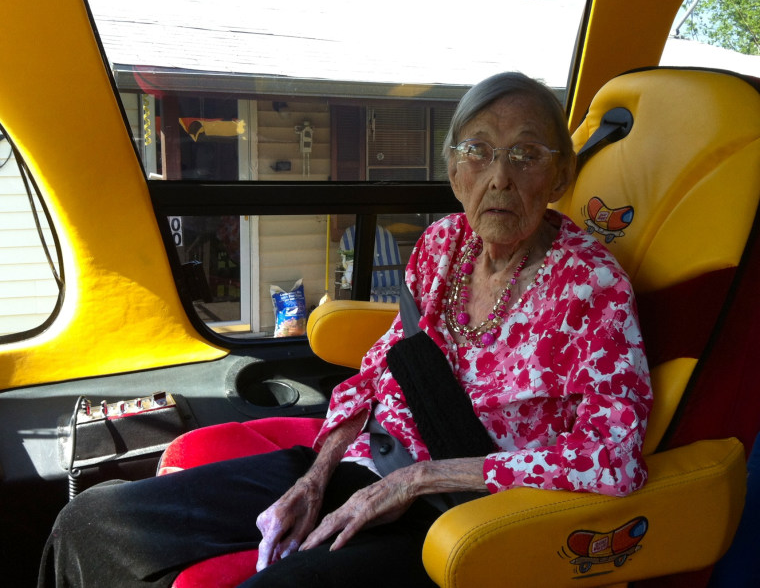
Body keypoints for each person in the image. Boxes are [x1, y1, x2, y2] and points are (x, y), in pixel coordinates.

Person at [39, 72, 652, 588]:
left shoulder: (591, 287)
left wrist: (419, 480)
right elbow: (383, 366)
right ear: (454, 169)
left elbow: (613, 459)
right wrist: (317, 473)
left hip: (461, 518)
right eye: (479, 152)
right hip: (368, 464)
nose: (500, 177)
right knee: (91, 521)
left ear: (560, 175)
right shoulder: (443, 245)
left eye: (524, 155)